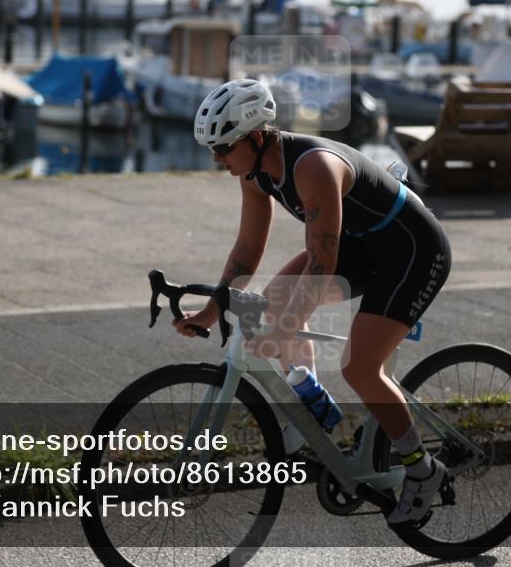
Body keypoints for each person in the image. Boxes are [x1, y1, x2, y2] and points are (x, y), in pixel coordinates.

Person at [173, 79, 452, 527]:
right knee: (269, 305)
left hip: (413, 252)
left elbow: (323, 262)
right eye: (213, 150)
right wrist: (213, 307)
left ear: (257, 136)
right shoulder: (254, 171)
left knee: (360, 368)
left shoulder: (314, 167)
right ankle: (315, 409)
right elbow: (247, 248)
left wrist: (286, 328)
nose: (217, 159)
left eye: (223, 148)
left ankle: (421, 468)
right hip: (361, 247)